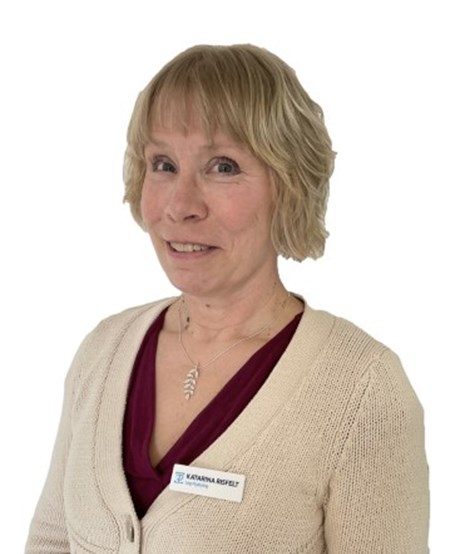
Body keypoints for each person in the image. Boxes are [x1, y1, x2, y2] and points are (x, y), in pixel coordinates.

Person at [25, 44, 429, 553]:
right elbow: (51, 541)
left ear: (289, 186)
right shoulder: (103, 352)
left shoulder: (360, 390)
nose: (180, 206)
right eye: (163, 164)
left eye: (222, 166)